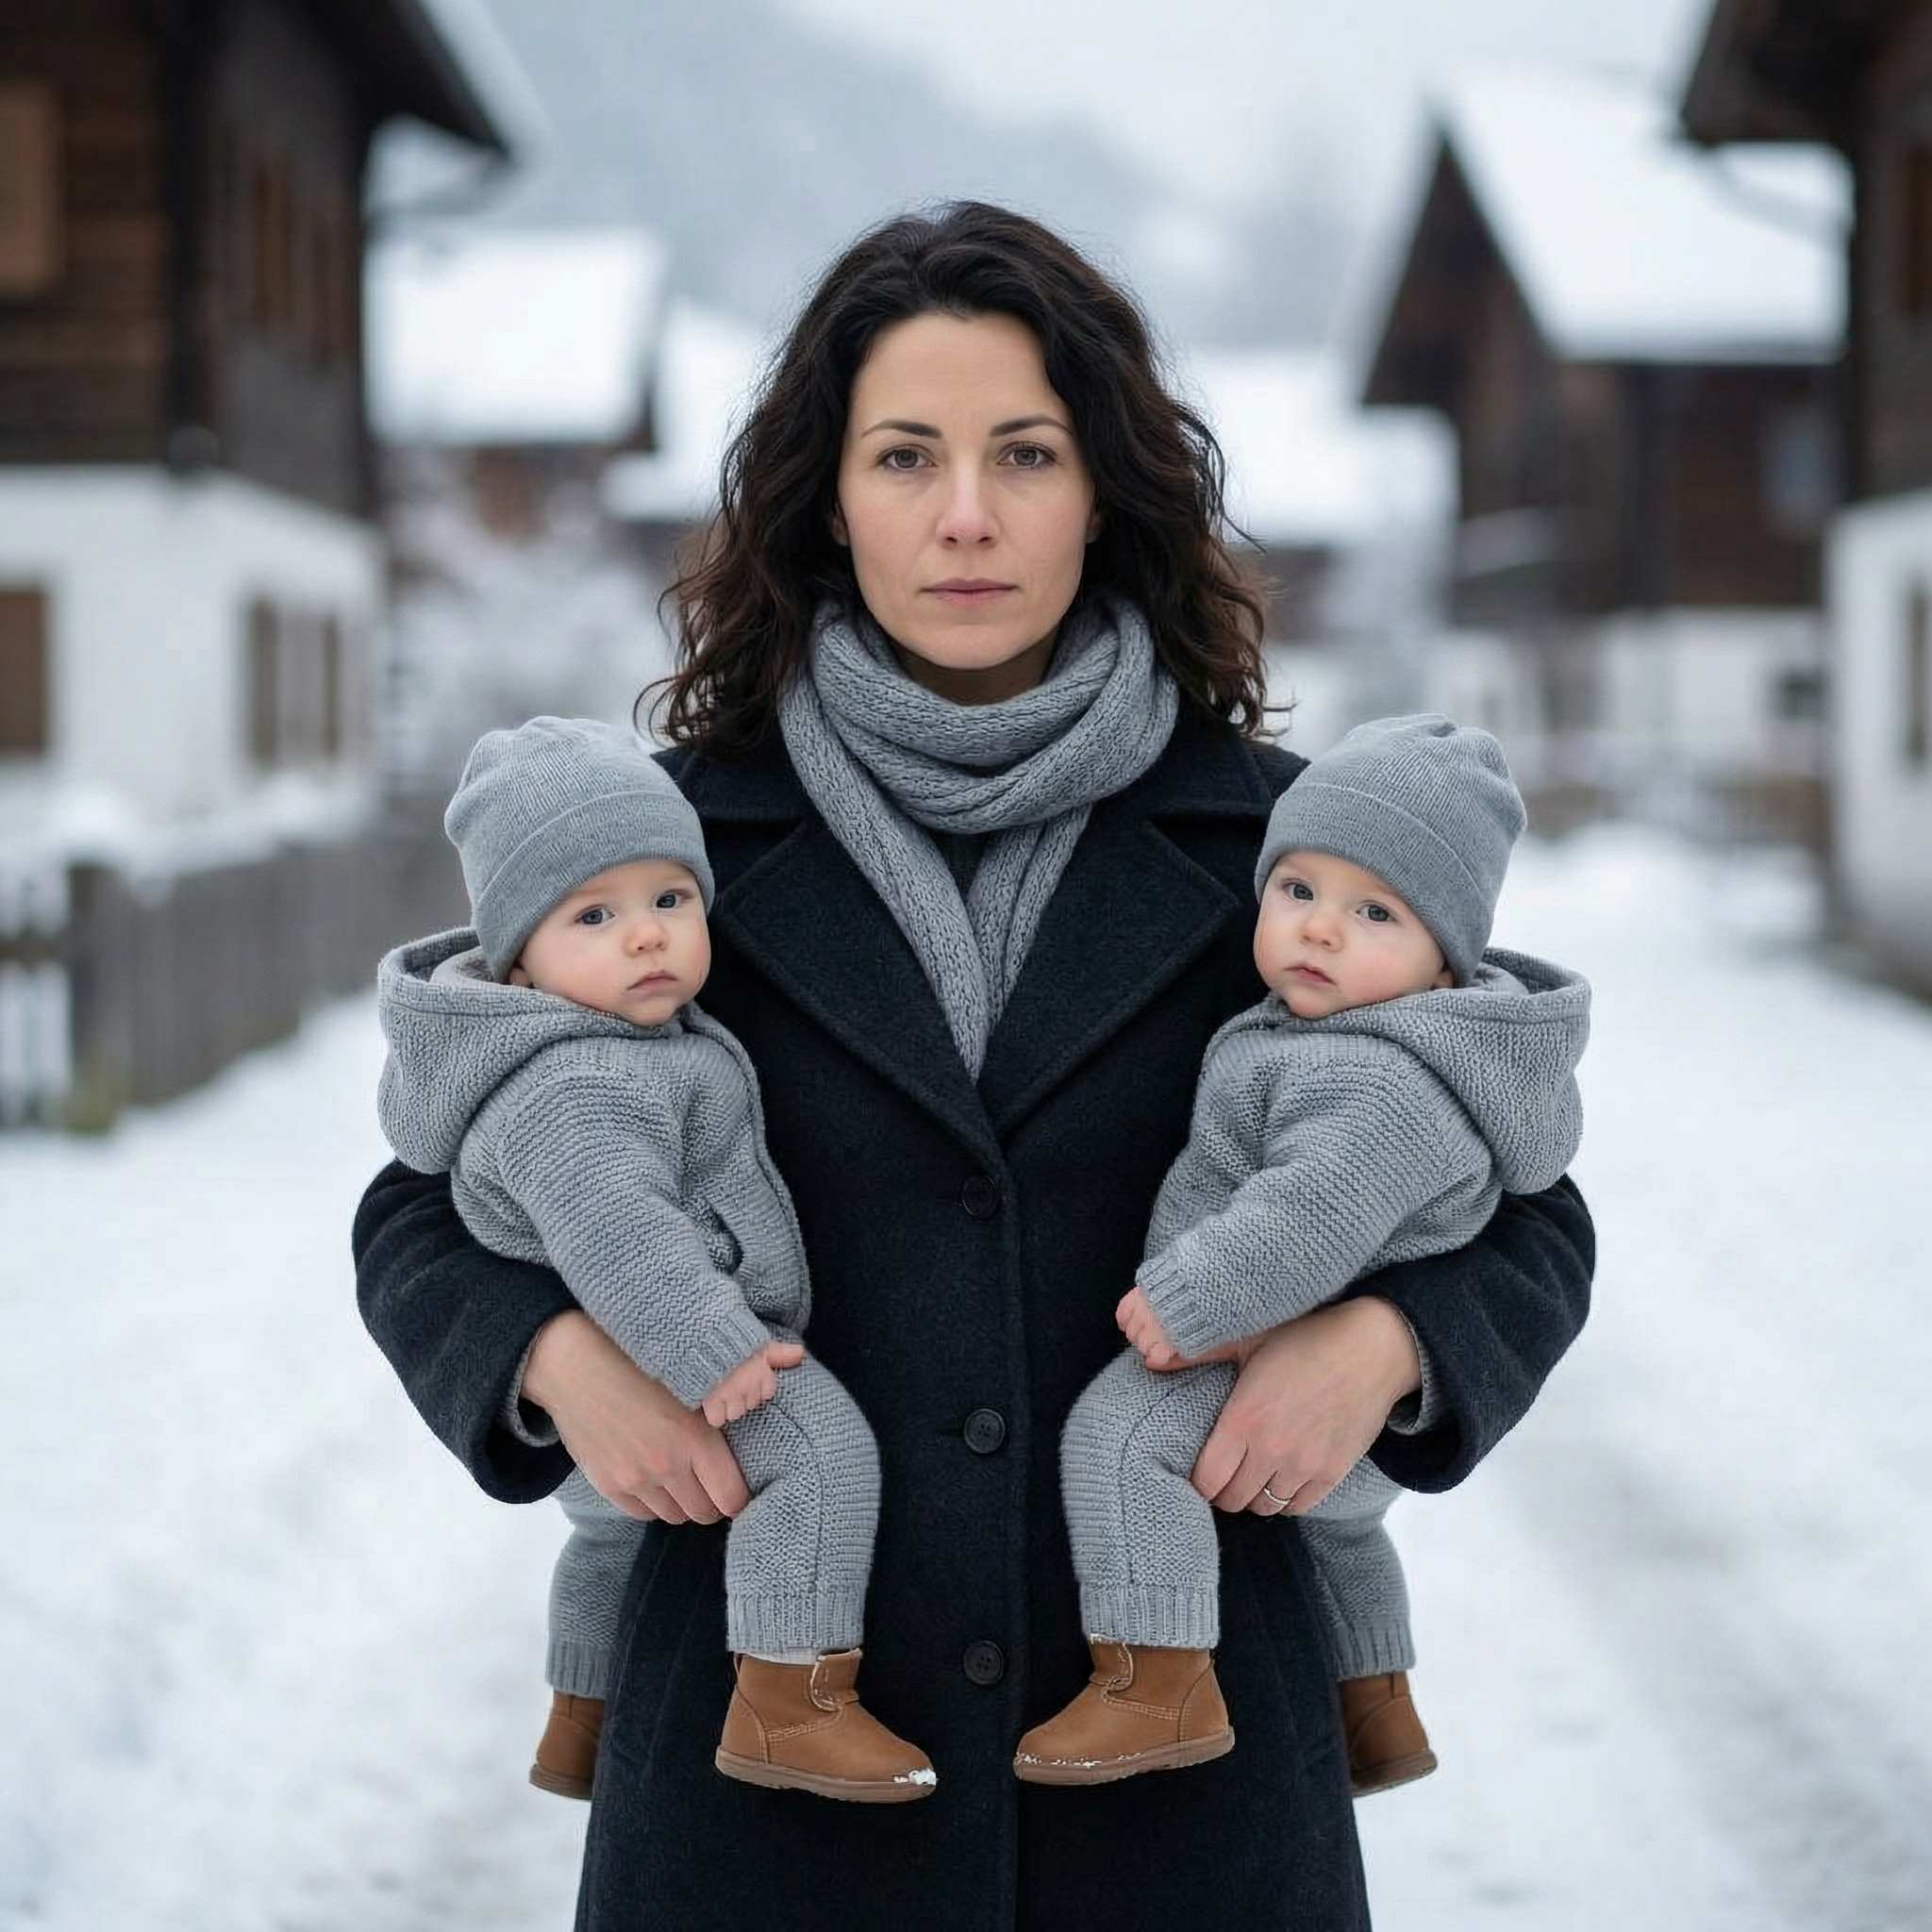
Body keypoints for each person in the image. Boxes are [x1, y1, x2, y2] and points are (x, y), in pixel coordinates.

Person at [353, 200, 1594, 1932]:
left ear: (1106, 489)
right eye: (903, 454)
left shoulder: (1283, 850)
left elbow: (1518, 1183)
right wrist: (551, 1355)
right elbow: (427, 1199)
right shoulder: (661, 856)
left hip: (1184, 1794)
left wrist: (1388, 1343)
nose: (963, 515)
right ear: (823, 494)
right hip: (753, 1789)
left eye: (1024, 452)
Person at [1012, 714, 1591, 1797]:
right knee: (1341, 1536)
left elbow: (1307, 1211)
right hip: (1293, 1395)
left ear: (1444, 957)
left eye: (1373, 911)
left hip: (1251, 1353)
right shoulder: (1356, 1033)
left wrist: (1193, 1297)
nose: (1319, 930)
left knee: (1118, 1438)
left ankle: (1157, 1677)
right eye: (1296, 893)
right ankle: (1372, 1702)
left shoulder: (1374, 1070)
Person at [374, 715, 933, 1804]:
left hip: (648, 1388)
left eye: (670, 900)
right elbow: (618, 1232)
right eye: (594, 914)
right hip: (673, 1369)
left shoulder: (623, 1042)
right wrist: (712, 1348)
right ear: (519, 952)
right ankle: (790, 1698)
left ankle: (582, 1712)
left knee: (608, 1545)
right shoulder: (577, 1079)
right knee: (821, 1456)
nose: (646, 936)